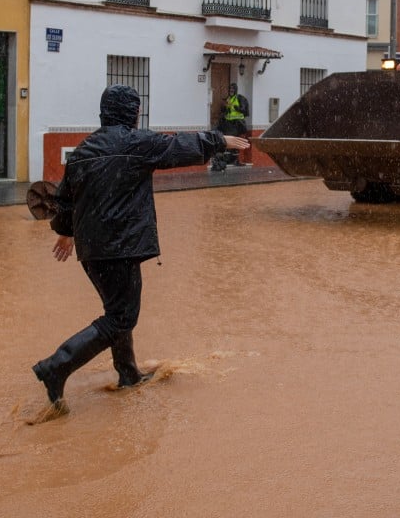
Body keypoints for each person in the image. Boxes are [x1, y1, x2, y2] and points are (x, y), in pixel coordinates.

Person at [31, 84, 249, 420]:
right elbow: (177, 146)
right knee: (121, 317)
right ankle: (57, 366)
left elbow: (66, 198)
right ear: (131, 113)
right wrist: (219, 140)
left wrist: (65, 232)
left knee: (116, 311)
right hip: (121, 245)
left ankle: (127, 373)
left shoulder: (85, 149)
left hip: (92, 251)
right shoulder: (136, 143)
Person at [212, 82, 250, 170]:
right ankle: (229, 159)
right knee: (228, 142)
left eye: (233, 89)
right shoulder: (229, 99)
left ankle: (235, 160)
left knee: (235, 142)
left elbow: (244, 110)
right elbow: (226, 111)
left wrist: (238, 108)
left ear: (236, 90)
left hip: (237, 124)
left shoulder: (240, 98)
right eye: (230, 89)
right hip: (228, 125)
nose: (231, 91)